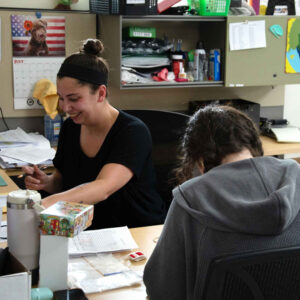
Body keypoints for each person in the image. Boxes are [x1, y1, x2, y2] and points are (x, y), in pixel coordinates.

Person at [143, 105, 300, 300]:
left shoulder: (190, 199)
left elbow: (161, 290)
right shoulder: (295, 177)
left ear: (199, 161)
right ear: (253, 144)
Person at [23, 39, 166, 229]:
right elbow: (65, 182)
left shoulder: (132, 132)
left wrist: (47, 204)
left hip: (136, 233)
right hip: (90, 231)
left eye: (74, 99)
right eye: (62, 98)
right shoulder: (70, 128)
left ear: (100, 93)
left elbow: (103, 187)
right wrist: (46, 182)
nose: (65, 107)